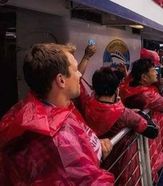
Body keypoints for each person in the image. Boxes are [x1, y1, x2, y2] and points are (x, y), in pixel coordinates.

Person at [0, 43, 114, 185]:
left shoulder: (29, 110)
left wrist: (93, 146)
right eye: (75, 70)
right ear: (61, 80)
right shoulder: (58, 137)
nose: (79, 74)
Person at [83, 67, 159, 139]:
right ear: (117, 90)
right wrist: (140, 112)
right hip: (123, 152)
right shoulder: (124, 114)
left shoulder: (85, 106)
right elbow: (153, 131)